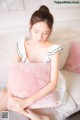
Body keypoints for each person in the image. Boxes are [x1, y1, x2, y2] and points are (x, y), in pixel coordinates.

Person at [0, 5, 63, 120]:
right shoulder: (22, 45)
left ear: (50, 31)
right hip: (25, 84)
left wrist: (25, 102)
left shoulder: (53, 49)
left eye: (45, 33)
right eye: (36, 31)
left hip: (44, 87)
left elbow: (53, 83)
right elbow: (12, 73)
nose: (39, 37)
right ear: (30, 26)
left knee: (15, 100)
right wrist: (10, 98)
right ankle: (33, 116)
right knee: (3, 98)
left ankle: (31, 114)